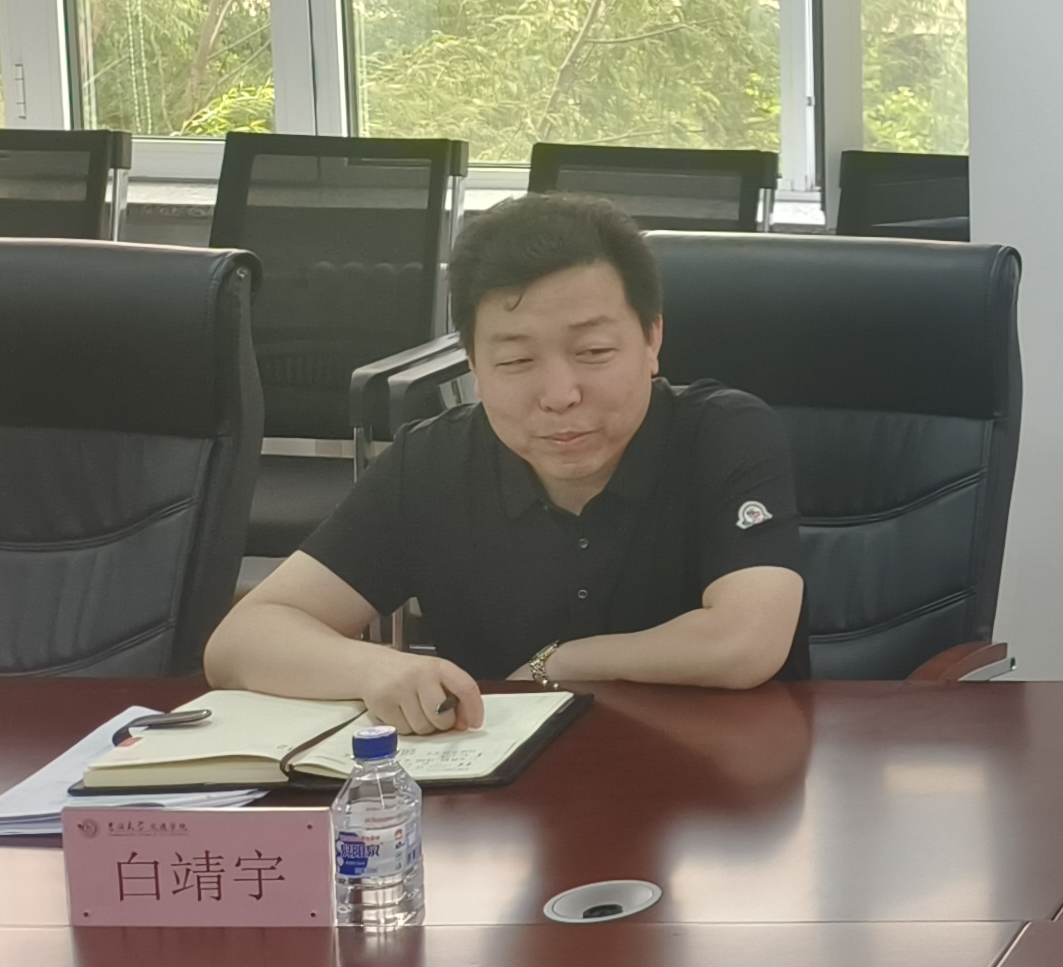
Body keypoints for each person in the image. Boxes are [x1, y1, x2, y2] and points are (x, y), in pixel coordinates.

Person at [204, 193, 805, 733]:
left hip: (719, 788)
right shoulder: (432, 463)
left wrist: (560, 663)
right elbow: (240, 640)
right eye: (516, 361)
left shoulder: (724, 434)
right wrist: (375, 668)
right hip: (505, 797)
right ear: (472, 362)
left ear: (652, 340)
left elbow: (745, 641)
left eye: (593, 351)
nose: (560, 395)